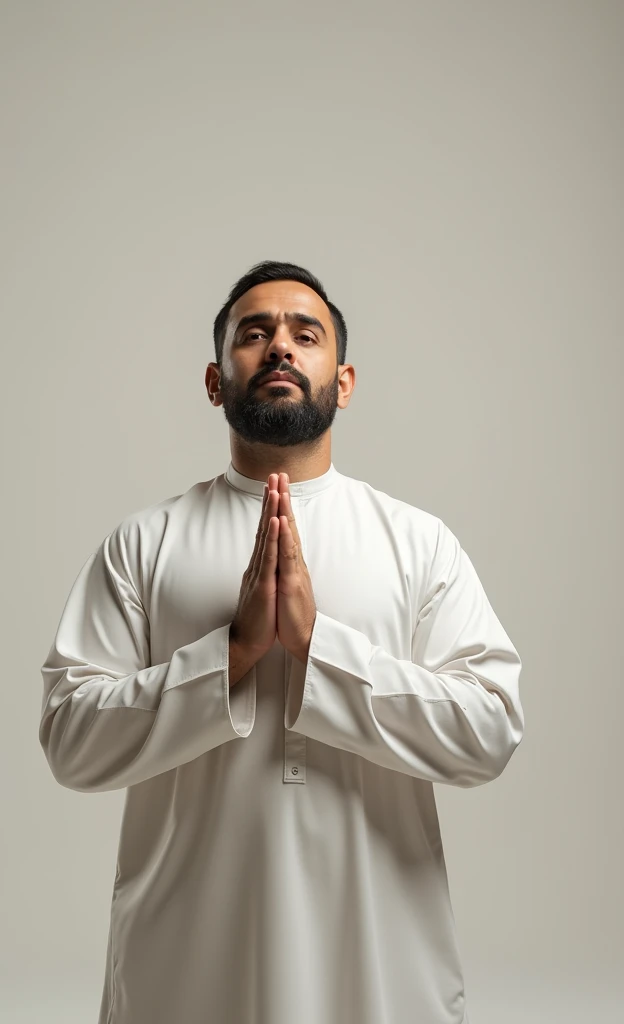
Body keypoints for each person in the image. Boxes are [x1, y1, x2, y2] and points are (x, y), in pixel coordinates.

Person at [39, 259, 524, 1024]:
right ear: (213, 379)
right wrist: (228, 654)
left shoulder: (418, 543)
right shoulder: (142, 543)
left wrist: (317, 648)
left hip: (380, 976)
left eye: (307, 334)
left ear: (346, 379)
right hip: (184, 976)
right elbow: (70, 739)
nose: (279, 348)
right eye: (253, 333)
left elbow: (492, 731)